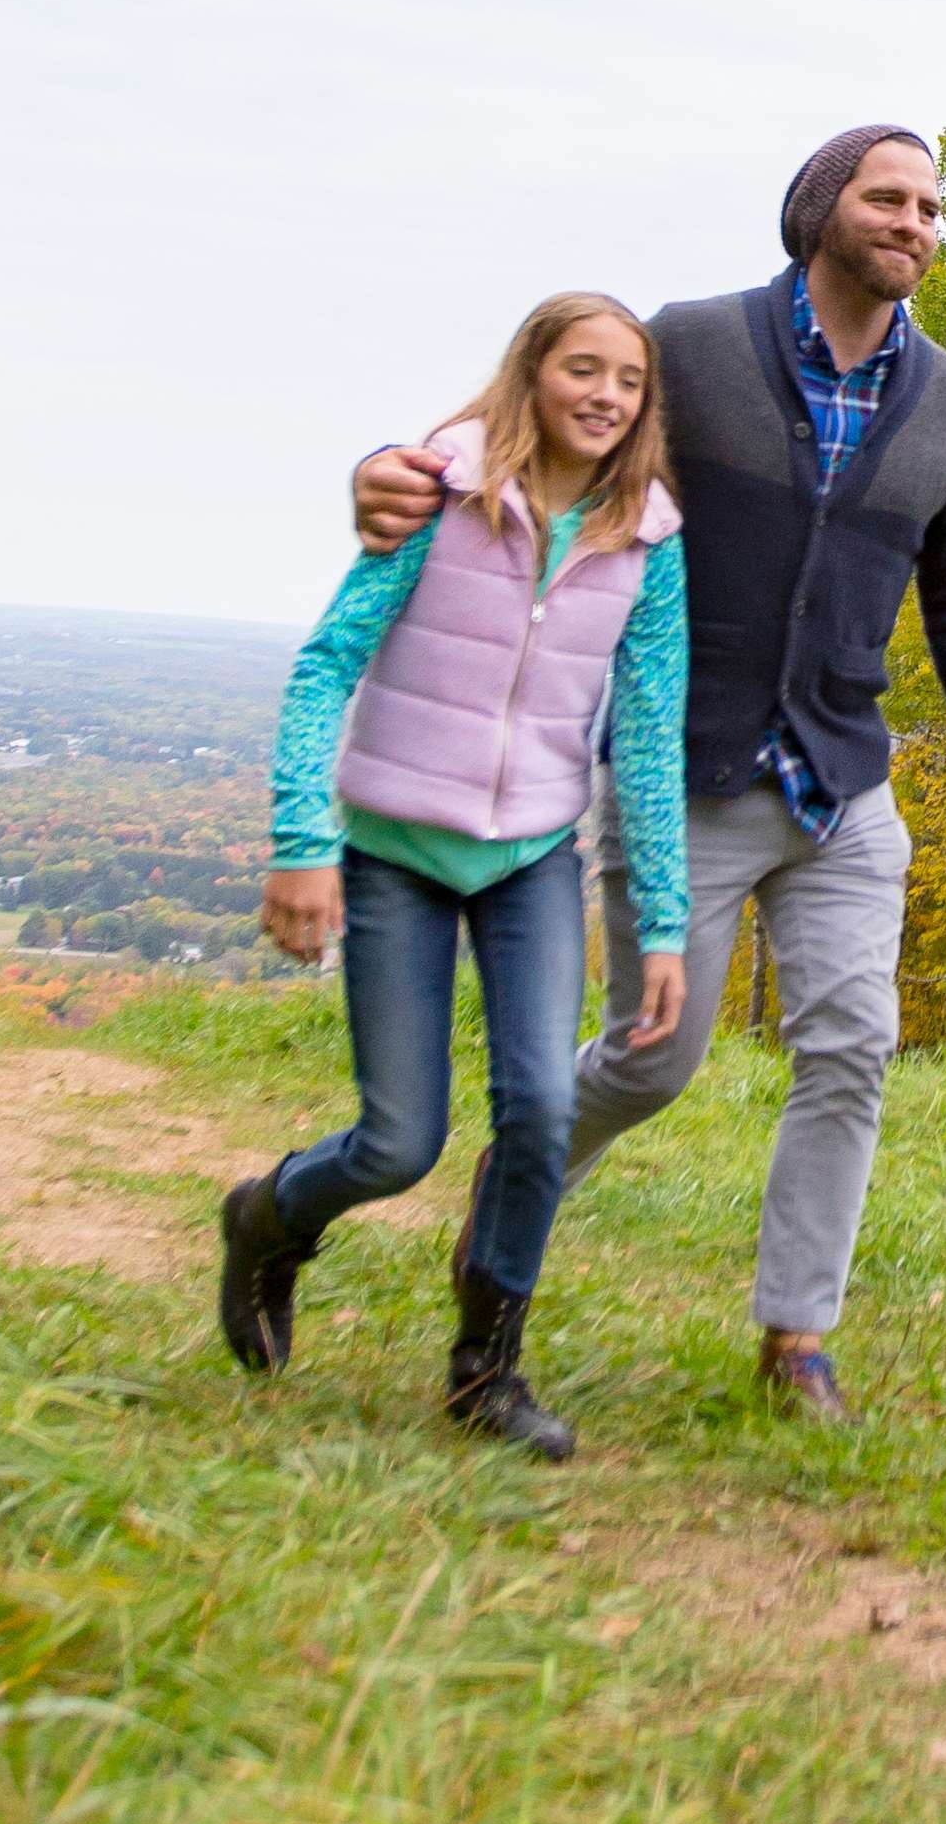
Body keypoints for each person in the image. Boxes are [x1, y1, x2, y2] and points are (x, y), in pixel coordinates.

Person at [354, 128, 946, 1421]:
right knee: (654, 1060)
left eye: (933, 208)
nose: (916, 224)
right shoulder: (697, 347)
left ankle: (797, 1340)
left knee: (853, 1049)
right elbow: (558, 425)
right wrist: (405, 471)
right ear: (821, 209)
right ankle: (519, 1184)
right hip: (691, 775)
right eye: (889, 198)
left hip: (843, 781)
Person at [219, 293, 689, 1464]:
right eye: (583, 369)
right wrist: (300, 841)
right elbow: (328, 662)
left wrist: (666, 923)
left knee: (539, 1111)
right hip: (396, 854)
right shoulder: (440, 496)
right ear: (532, 374)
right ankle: (266, 1218)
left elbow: (649, 736)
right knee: (398, 1142)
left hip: (532, 859)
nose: (605, 396)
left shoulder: (650, 542)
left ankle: (487, 1373)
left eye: (627, 380)